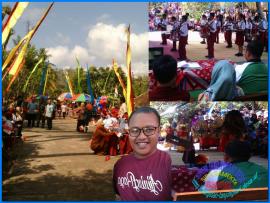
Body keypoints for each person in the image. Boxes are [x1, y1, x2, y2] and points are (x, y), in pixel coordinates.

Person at [113, 107, 172, 201]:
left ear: (159, 131)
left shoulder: (170, 162)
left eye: (149, 130)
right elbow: (119, 197)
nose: (141, 137)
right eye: (135, 130)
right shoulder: (120, 164)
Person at [202, 141, 268, 191]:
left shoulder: (216, 174)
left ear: (226, 157)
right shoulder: (264, 171)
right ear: (249, 156)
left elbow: (204, 194)